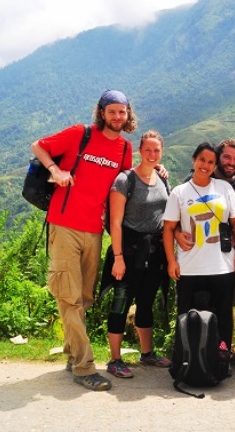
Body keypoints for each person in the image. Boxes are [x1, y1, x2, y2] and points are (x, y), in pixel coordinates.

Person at [29, 89, 135, 391]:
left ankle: (72, 351)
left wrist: (159, 170)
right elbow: (38, 146)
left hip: (94, 230)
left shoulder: (125, 149)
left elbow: (127, 183)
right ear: (102, 112)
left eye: (122, 111)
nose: (117, 117)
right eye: (112, 111)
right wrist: (55, 169)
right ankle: (84, 366)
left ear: (128, 115)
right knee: (69, 296)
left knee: (85, 297)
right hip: (63, 225)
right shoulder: (80, 134)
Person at [162, 142, 235, 358]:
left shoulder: (224, 188)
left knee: (224, 315)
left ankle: (222, 356)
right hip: (189, 267)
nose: (205, 165)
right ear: (194, 160)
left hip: (222, 265)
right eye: (202, 160)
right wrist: (172, 261)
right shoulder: (180, 192)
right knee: (187, 315)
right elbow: (169, 228)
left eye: (210, 162)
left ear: (214, 165)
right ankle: (188, 358)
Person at [102, 130, 172, 380]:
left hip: (154, 253)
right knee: (121, 303)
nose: (152, 154)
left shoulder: (163, 179)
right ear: (140, 151)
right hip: (128, 252)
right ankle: (115, 358)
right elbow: (116, 221)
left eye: (157, 150)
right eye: (148, 150)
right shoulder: (125, 180)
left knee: (146, 302)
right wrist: (118, 257)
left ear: (161, 152)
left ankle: (147, 353)